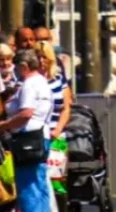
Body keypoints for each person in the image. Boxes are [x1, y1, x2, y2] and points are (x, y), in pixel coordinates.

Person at [0, 49, 53, 212]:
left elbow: (26, 113)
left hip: (27, 139)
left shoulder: (29, 84)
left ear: (24, 66)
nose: (14, 70)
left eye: (16, 66)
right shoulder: (42, 81)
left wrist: (4, 125)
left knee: (28, 188)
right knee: (39, 185)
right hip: (40, 136)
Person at [39, 42, 72, 210]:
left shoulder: (59, 79)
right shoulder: (30, 79)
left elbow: (66, 108)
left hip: (56, 135)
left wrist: (58, 129)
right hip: (37, 136)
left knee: (57, 181)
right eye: (38, 56)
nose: (41, 60)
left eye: (44, 56)